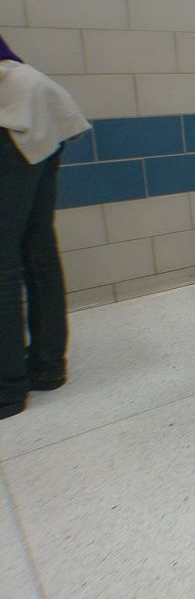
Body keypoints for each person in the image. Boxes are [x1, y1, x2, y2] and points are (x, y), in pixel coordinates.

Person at [0, 35, 90, 420]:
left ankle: (7, 386)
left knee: (3, 263)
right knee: (39, 251)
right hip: (39, 99)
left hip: (9, 114)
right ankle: (48, 366)